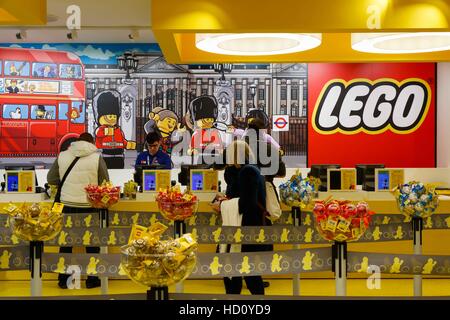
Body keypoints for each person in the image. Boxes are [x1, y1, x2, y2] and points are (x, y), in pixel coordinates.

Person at [47, 132, 109, 289]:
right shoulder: (96, 157)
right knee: (92, 244)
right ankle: (92, 280)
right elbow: (105, 182)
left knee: (66, 244)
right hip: (89, 206)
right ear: (92, 142)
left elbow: (51, 178)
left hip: (66, 205)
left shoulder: (62, 155)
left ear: (76, 141)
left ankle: (63, 280)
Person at [212, 140, 270, 295]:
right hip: (245, 227)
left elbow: (246, 203)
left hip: (245, 230)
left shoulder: (247, 172)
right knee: (246, 273)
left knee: (244, 272)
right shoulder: (244, 171)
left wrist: (223, 205)